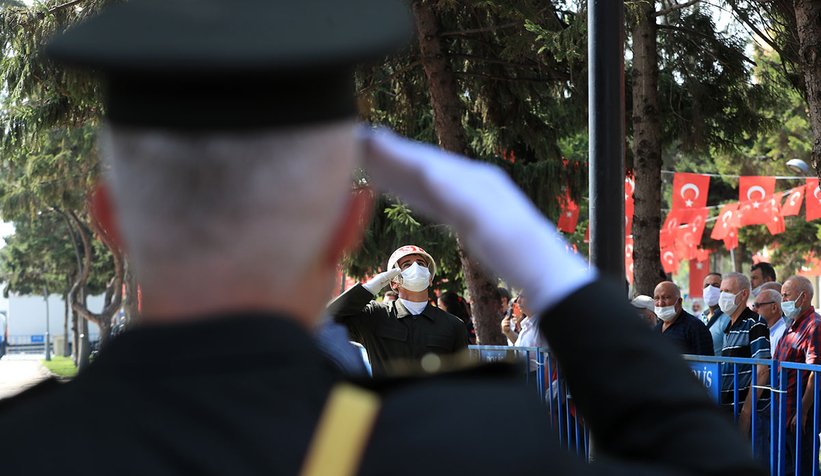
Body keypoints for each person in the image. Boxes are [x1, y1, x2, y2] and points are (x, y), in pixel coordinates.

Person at [0, 1, 765, 475]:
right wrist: (542, 264)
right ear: (346, 227)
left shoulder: (27, 448)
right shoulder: (463, 450)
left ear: (110, 220)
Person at [328, 245, 469, 376]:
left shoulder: (453, 325)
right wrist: (368, 289)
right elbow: (326, 321)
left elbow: (462, 380)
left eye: (421, 263)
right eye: (406, 265)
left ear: (430, 278)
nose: (416, 267)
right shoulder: (374, 315)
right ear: (394, 282)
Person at [716, 273, 770, 454]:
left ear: (744, 294)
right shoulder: (729, 327)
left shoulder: (755, 323)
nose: (722, 295)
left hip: (748, 416)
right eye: (721, 290)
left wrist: (746, 414)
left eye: (728, 291)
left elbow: (763, 370)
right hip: (728, 413)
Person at [774, 276, 821, 474]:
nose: (783, 300)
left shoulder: (814, 325)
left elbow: (815, 373)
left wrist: (802, 411)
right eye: (782, 296)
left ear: (803, 297)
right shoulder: (792, 324)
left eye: (786, 295)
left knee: (803, 467)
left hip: (799, 415)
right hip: (783, 410)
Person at [653, 281, 713, 356]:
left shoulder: (695, 327)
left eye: (666, 298)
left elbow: (707, 363)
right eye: (657, 298)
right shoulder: (656, 330)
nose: (660, 303)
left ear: (679, 301)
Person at [701, 272, 730, 356]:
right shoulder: (701, 317)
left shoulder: (729, 318)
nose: (710, 289)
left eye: (716, 285)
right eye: (707, 286)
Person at [753, 289, 785, 356]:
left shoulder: (783, 333)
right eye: (753, 306)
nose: (753, 310)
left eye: (757, 305)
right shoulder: (762, 331)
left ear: (774, 307)